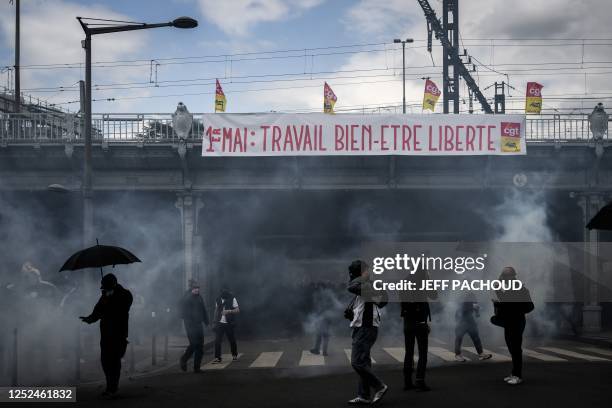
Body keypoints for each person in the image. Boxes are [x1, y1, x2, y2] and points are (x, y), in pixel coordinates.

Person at [80, 273, 133, 398]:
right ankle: (110, 385)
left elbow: (122, 309)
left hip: (119, 333)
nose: (104, 290)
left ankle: (112, 387)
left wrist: (109, 299)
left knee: (114, 361)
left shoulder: (125, 294)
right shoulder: (104, 296)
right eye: (104, 288)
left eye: (107, 287)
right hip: (105, 334)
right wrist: (89, 319)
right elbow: (97, 311)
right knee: (105, 360)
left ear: (114, 285)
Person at [347, 260, 389, 405]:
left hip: (366, 327)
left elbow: (351, 286)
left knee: (357, 362)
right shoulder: (369, 285)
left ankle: (379, 386)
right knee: (363, 362)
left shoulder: (367, 284)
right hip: (364, 326)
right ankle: (364, 395)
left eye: (353, 273)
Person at [492, 266, 534, 385]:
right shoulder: (510, 289)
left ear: (512, 277)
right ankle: (514, 373)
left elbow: (530, 306)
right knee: (512, 348)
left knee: (515, 349)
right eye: (503, 277)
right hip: (509, 322)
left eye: (505, 277)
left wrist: (514, 309)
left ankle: (517, 375)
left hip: (517, 322)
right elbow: (505, 301)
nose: (504, 279)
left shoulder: (520, 289)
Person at [401, 269, 437, 392]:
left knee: (409, 353)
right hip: (420, 323)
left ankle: (407, 381)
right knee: (422, 354)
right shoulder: (423, 282)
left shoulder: (405, 281)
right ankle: (420, 380)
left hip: (407, 323)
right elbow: (434, 295)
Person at [179, 280, 210, 372]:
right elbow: (184, 313)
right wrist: (189, 322)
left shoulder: (199, 297)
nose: (197, 290)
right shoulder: (187, 298)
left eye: (198, 288)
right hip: (190, 325)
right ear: (191, 288)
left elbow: (203, 309)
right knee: (194, 344)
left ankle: (197, 368)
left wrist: (207, 322)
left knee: (200, 346)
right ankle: (183, 359)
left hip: (198, 325)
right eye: (195, 288)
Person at [454, 292, 492, 362]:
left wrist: (477, 311)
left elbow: (476, 309)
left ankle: (481, 354)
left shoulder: (472, 297)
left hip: (470, 320)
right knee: (459, 337)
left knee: (476, 337)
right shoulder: (462, 297)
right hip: (461, 320)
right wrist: (472, 306)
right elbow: (460, 308)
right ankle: (457, 354)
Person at [212, 286, 239, 363]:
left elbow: (237, 310)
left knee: (232, 340)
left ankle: (234, 355)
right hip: (220, 323)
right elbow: (216, 311)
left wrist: (229, 311)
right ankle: (218, 357)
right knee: (217, 340)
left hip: (229, 323)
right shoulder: (218, 299)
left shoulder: (232, 298)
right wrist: (214, 321)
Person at [309, 283, 334, 356]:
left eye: (319, 288)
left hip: (324, 317)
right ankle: (318, 349)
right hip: (324, 317)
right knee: (320, 334)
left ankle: (322, 350)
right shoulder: (327, 295)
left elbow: (325, 307)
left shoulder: (325, 296)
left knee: (324, 334)